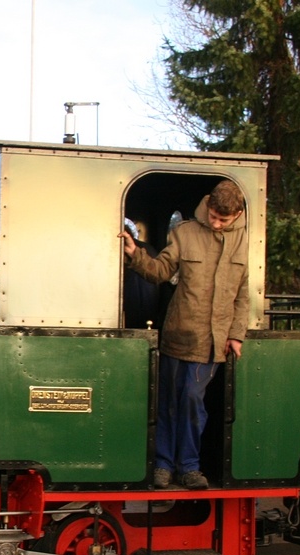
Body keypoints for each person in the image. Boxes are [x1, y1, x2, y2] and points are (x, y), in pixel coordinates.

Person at [118, 180, 249, 489]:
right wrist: (135, 254)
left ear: (238, 214)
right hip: (178, 333)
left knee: (192, 400)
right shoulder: (185, 233)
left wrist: (236, 335)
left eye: (223, 220)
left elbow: (244, 294)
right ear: (207, 206)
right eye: (213, 216)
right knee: (168, 402)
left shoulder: (247, 241)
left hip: (214, 341)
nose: (216, 223)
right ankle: (163, 465)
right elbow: (160, 271)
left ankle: (189, 467)